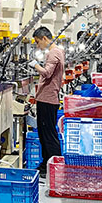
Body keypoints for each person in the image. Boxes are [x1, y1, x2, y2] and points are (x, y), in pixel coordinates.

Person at [30, 25, 65, 177]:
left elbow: (47, 73)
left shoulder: (53, 53)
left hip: (47, 99)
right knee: (45, 133)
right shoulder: (58, 51)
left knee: (48, 134)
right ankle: (46, 164)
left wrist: (35, 65)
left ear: (44, 38)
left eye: (38, 42)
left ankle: (54, 165)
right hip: (48, 98)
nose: (38, 46)